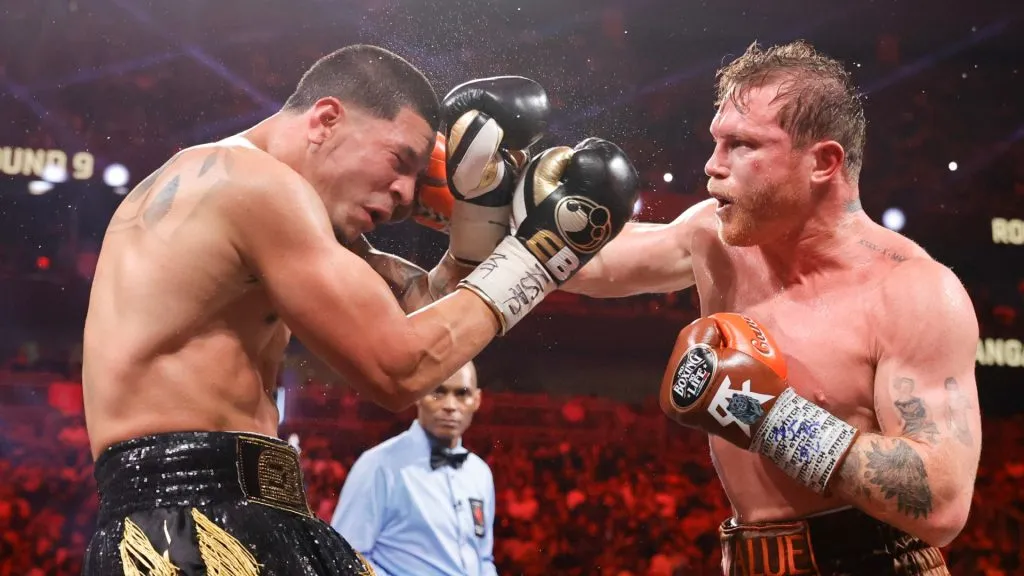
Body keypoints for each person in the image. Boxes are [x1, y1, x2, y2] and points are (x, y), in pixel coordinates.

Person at [81, 43, 639, 575]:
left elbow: (427, 330)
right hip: (183, 526)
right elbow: (399, 368)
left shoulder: (266, 204)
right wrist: (541, 254)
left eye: (417, 178)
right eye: (399, 161)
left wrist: (480, 226)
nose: (403, 196)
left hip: (241, 510)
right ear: (326, 120)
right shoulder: (250, 185)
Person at [564, 40, 980, 575]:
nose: (712, 166)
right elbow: (585, 261)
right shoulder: (715, 237)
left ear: (824, 162)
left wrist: (770, 417)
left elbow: (942, 502)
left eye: (741, 144)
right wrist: (465, 202)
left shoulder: (913, 291)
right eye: (716, 141)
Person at [331, 362, 496, 576]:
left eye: (462, 393)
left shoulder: (480, 473)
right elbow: (345, 557)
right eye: (438, 391)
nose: (450, 405)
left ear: (477, 400)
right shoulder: (379, 465)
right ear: (418, 394)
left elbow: (483, 558)